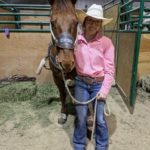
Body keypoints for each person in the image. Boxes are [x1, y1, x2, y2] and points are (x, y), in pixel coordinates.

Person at [73, 4, 115, 150]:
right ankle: (79, 144)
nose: (93, 24)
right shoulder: (76, 40)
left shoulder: (106, 43)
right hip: (81, 82)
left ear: (100, 25)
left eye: (97, 22)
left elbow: (109, 71)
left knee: (100, 119)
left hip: (98, 83)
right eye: (90, 20)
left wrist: (104, 91)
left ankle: (101, 146)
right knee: (81, 116)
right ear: (84, 22)